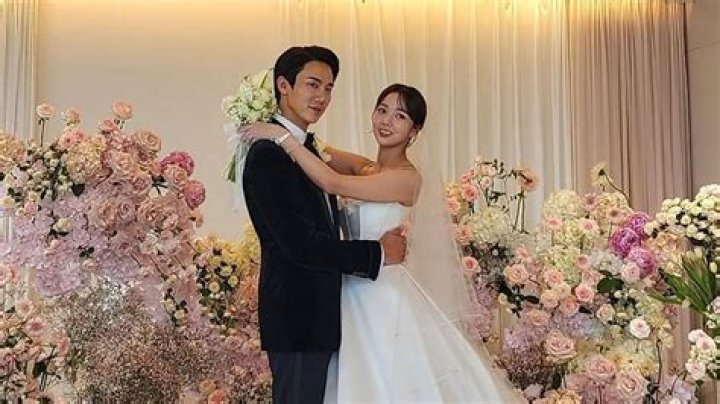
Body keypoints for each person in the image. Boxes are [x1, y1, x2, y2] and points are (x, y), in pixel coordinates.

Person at [242, 83, 522, 402]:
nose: (387, 121)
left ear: (414, 131)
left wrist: (281, 138)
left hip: (382, 291)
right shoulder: (365, 168)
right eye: (382, 110)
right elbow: (316, 147)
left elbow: (331, 181)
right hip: (347, 286)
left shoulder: (407, 178)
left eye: (400, 116)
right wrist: (272, 117)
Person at [241, 46, 408, 403]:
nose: (321, 97)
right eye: (313, 85)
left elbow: (360, 172)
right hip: (297, 316)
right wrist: (378, 254)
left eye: (329, 88)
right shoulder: (268, 154)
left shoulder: (306, 149)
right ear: (283, 85)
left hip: (322, 315)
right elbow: (301, 245)